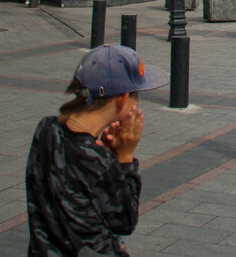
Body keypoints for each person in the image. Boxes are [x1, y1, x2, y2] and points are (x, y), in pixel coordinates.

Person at [26, 44, 167, 255]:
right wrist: (125, 159)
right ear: (122, 99)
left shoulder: (46, 128)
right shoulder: (99, 161)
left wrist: (108, 155)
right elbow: (125, 221)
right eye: (136, 94)